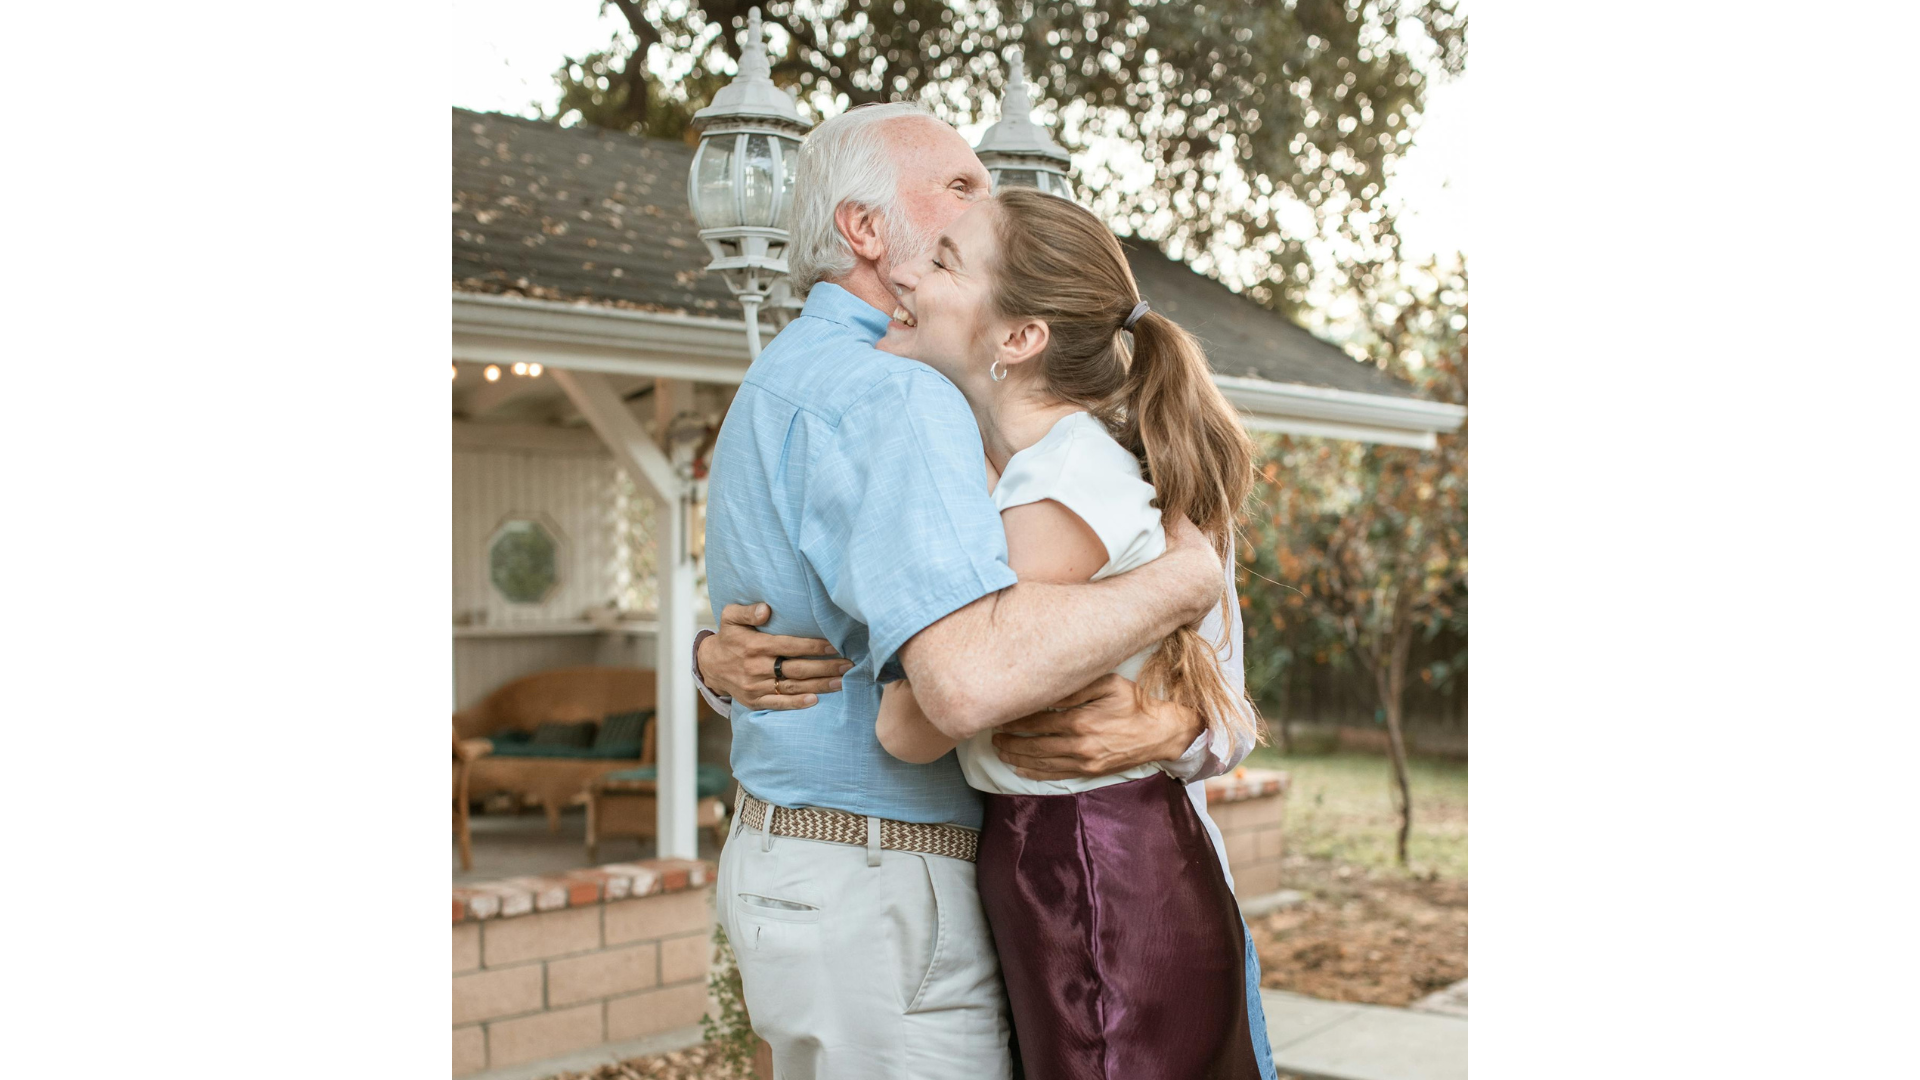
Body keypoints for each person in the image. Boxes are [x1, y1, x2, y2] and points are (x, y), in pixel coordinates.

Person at [692, 101, 1274, 1080]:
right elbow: (955, 684)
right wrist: (1181, 578)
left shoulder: (792, 378)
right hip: (898, 877)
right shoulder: (898, 392)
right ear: (866, 232)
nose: (985, 201)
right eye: (959, 191)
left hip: (907, 867)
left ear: (1021, 332)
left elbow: (1222, 679)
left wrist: (1179, 728)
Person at [870, 185, 1262, 1078]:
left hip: (1090, 870)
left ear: (1020, 339)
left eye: (940, 261)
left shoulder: (1063, 487)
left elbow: (910, 726)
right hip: (1086, 861)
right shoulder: (1054, 469)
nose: (903, 272)